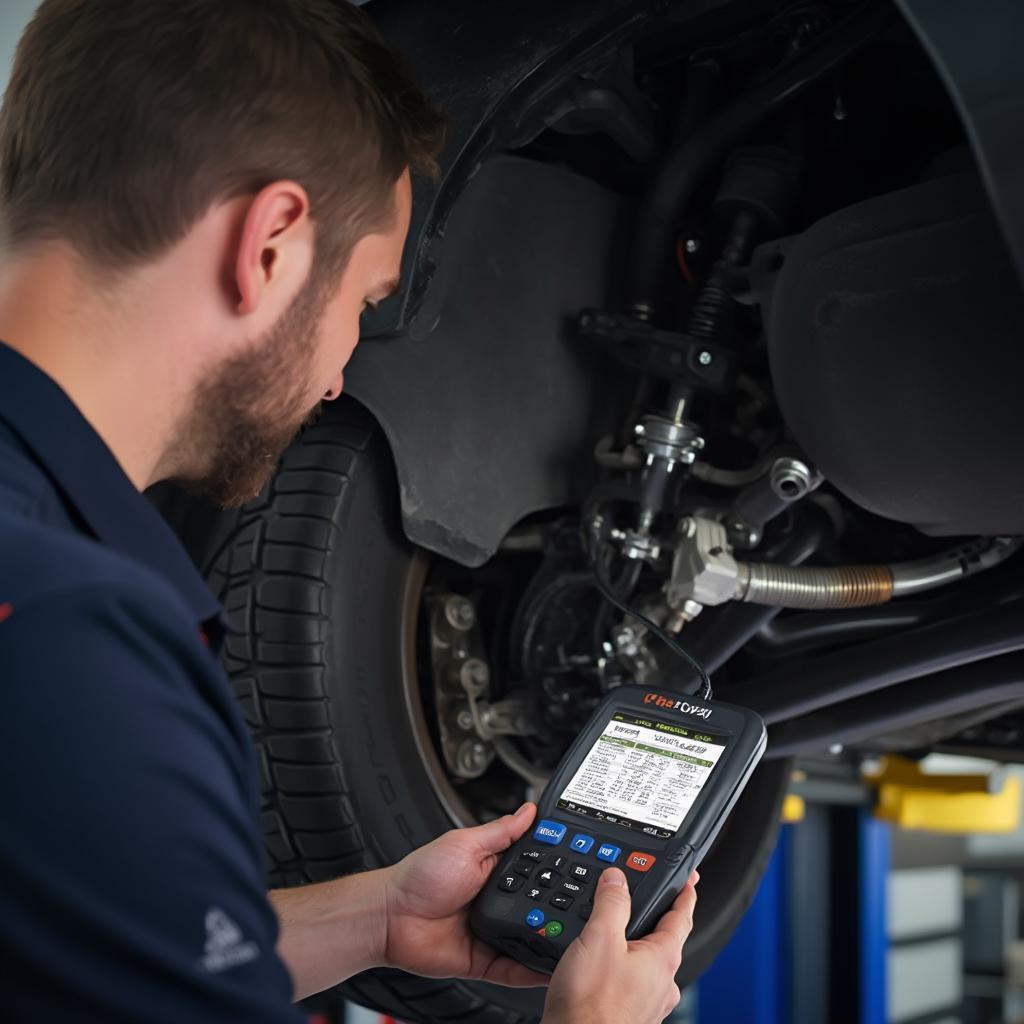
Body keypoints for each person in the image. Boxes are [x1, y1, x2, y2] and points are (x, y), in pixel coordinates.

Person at [0, 2, 698, 1021]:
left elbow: (74, 934)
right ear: (271, 241)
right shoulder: (76, 638)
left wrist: (374, 921)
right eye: (364, 306)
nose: (337, 378)